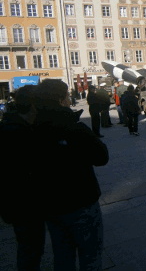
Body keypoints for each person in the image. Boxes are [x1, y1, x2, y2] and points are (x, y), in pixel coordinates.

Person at [33, 79, 109, 270]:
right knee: (90, 255)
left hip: (50, 204)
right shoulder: (73, 127)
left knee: (62, 255)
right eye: (67, 96)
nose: (69, 100)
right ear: (61, 100)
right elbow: (101, 157)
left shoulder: (32, 129)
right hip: (80, 200)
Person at [0, 85, 46, 271]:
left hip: (17, 204)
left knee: (29, 248)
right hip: (25, 204)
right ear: (34, 107)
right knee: (31, 249)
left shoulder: (10, 126)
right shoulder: (19, 133)